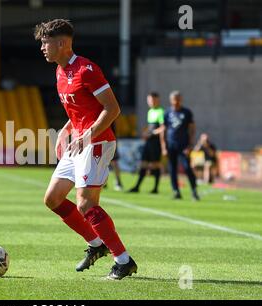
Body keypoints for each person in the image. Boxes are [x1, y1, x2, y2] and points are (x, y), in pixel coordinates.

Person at [35, 19, 137, 280]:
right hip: (77, 142)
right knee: (53, 199)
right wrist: (66, 130)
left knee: (86, 203)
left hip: (98, 142)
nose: (42, 48)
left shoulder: (87, 69)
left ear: (62, 43)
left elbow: (112, 108)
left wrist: (89, 134)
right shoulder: (59, 72)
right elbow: (81, 108)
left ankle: (123, 261)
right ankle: (96, 245)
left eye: (46, 42)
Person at [160, 91, 200, 201]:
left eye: (178, 99)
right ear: (171, 100)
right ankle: (176, 191)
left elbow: (192, 128)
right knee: (172, 169)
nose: (176, 101)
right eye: (175, 99)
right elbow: (163, 130)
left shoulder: (186, 112)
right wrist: (163, 147)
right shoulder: (167, 113)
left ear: (181, 100)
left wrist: (190, 144)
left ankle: (194, 191)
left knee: (187, 167)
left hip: (183, 145)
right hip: (171, 144)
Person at [128, 92, 165, 194]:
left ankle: (155, 188)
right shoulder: (150, 111)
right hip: (148, 141)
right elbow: (150, 126)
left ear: (157, 100)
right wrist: (146, 133)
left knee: (156, 164)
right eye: (149, 100)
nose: (151, 102)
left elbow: (163, 127)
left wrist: (153, 132)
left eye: (153, 100)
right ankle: (137, 186)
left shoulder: (161, 111)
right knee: (143, 163)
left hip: (156, 142)